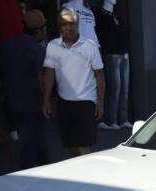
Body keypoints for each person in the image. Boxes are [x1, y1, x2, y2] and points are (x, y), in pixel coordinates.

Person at [43, 8, 105, 156]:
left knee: (83, 145)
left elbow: (100, 75)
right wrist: (46, 101)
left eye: (72, 23)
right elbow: (49, 74)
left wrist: (100, 101)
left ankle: (89, 176)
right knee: (70, 145)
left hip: (86, 102)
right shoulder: (52, 46)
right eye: (64, 24)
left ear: (78, 24)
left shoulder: (90, 46)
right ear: (59, 26)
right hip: (64, 102)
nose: (68, 27)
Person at [0, 9, 48, 169]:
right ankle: (30, 172)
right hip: (32, 105)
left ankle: (44, 164)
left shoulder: (7, 45)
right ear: (39, 30)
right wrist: (48, 102)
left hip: (10, 104)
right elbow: (41, 80)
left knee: (34, 141)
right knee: (31, 144)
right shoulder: (38, 51)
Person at [95, 0, 132, 130]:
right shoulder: (100, 14)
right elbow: (102, 36)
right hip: (110, 55)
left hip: (124, 55)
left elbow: (124, 35)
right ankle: (111, 120)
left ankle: (123, 119)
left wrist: (126, 51)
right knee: (114, 88)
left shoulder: (117, 15)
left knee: (124, 89)